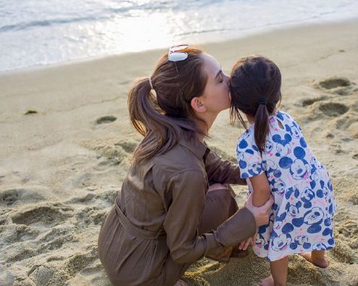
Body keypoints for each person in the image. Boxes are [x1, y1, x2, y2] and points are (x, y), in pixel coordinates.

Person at [97, 45, 273, 286]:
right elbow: (183, 251)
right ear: (198, 104)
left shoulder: (166, 128)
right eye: (220, 79)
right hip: (140, 273)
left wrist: (261, 175)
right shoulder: (187, 170)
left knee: (215, 187)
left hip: (113, 245)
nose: (230, 81)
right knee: (221, 196)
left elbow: (215, 168)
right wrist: (248, 220)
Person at [229, 56, 337, 286]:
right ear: (276, 95)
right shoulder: (287, 119)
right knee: (316, 221)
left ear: (236, 103)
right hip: (319, 188)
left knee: (280, 242)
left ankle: (279, 282)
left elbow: (262, 190)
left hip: (289, 202)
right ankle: (319, 258)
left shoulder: (247, 143)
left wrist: (252, 221)